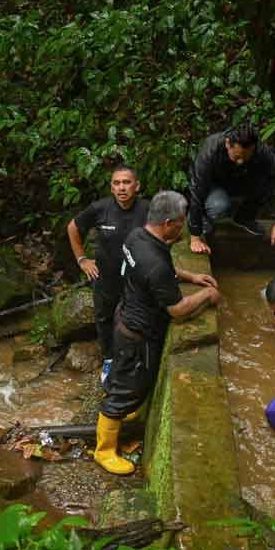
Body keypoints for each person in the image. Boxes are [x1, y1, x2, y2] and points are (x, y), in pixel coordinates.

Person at [95, 191, 221, 475]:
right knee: (122, 391)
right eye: (180, 223)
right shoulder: (154, 263)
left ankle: (124, 415)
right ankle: (103, 450)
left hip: (124, 317)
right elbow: (177, 309)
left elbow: (162, 271)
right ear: (168, 223)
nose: (183, 227)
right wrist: (206, 294)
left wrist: (190, 277)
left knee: (130, 382)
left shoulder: (139, 236)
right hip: (136, 334)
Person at [67, 165, 149, 385]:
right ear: (112, 188)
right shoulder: (100, 208)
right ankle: (109, 359)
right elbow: (73, 228)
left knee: (133, 320)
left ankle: (134, 361)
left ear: (137, 186)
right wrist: (82, 260)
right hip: (105, 277)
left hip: (135, 279)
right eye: (116, 183)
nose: (121, 188)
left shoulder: (147, 210)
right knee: (104, 319)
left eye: (126, 182)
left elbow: (167, 233)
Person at [187, 123, 275, 255]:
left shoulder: (260, 150)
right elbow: (197, 191)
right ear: (227, 144)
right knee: (219, 206)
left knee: (268, 182)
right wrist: (195, 237)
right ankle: (204, 218)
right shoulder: (211, 150)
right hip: (213, 186)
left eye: (245, 156)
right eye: (237, 156)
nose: (241, 161)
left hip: (239, 180)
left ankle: (245, 217)